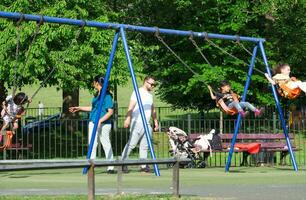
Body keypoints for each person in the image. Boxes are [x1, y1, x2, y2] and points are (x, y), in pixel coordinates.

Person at [69, 75, 115, 174]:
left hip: (104, 124)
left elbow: (110, 112)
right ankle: (91, 165)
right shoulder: (97, 95)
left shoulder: (107, 96)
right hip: (93, 122)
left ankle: (111, 167)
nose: (92, 84)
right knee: (92, 145)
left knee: (106, 144)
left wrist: (100, 121)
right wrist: (79, 108)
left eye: (93, 82)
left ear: (96, 83)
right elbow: (93, 109)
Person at [121, 75, 159, 173]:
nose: (153, 86)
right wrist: (128, 118)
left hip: (146, 124)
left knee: (145, 146)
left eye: (154, 85)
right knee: (131, 144)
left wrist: (155, 121)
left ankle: (143, 166)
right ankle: (122, 163)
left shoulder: (150, 95)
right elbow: (131, 106)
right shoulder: (137, 92)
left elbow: (152, 109)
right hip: (137, 122)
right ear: (146, 82)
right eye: (152, 84)